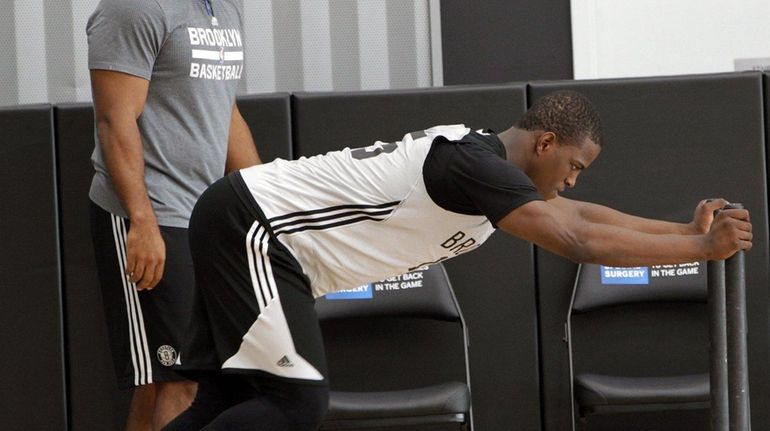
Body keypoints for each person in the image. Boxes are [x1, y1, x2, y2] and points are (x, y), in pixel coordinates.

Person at [164, 90, 752, 430]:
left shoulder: (490, 171)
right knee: (296, 400)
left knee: (230, 398)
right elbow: (574, 237)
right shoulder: (470, 163)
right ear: (544, 143)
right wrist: (700, 249)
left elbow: (586, 218)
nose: (572, 181)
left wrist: (682, 231)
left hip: (253, 227)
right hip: (257, 227)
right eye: (573, 166)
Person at [86, 0, 261, 429]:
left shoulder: (225, 6)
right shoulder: (135, 7)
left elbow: (226, 111)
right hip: (152, 215)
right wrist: (142, 222)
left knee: (162, 378)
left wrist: (264, 200)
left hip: (206, 218)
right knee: (184, 380)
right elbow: (115, 117)